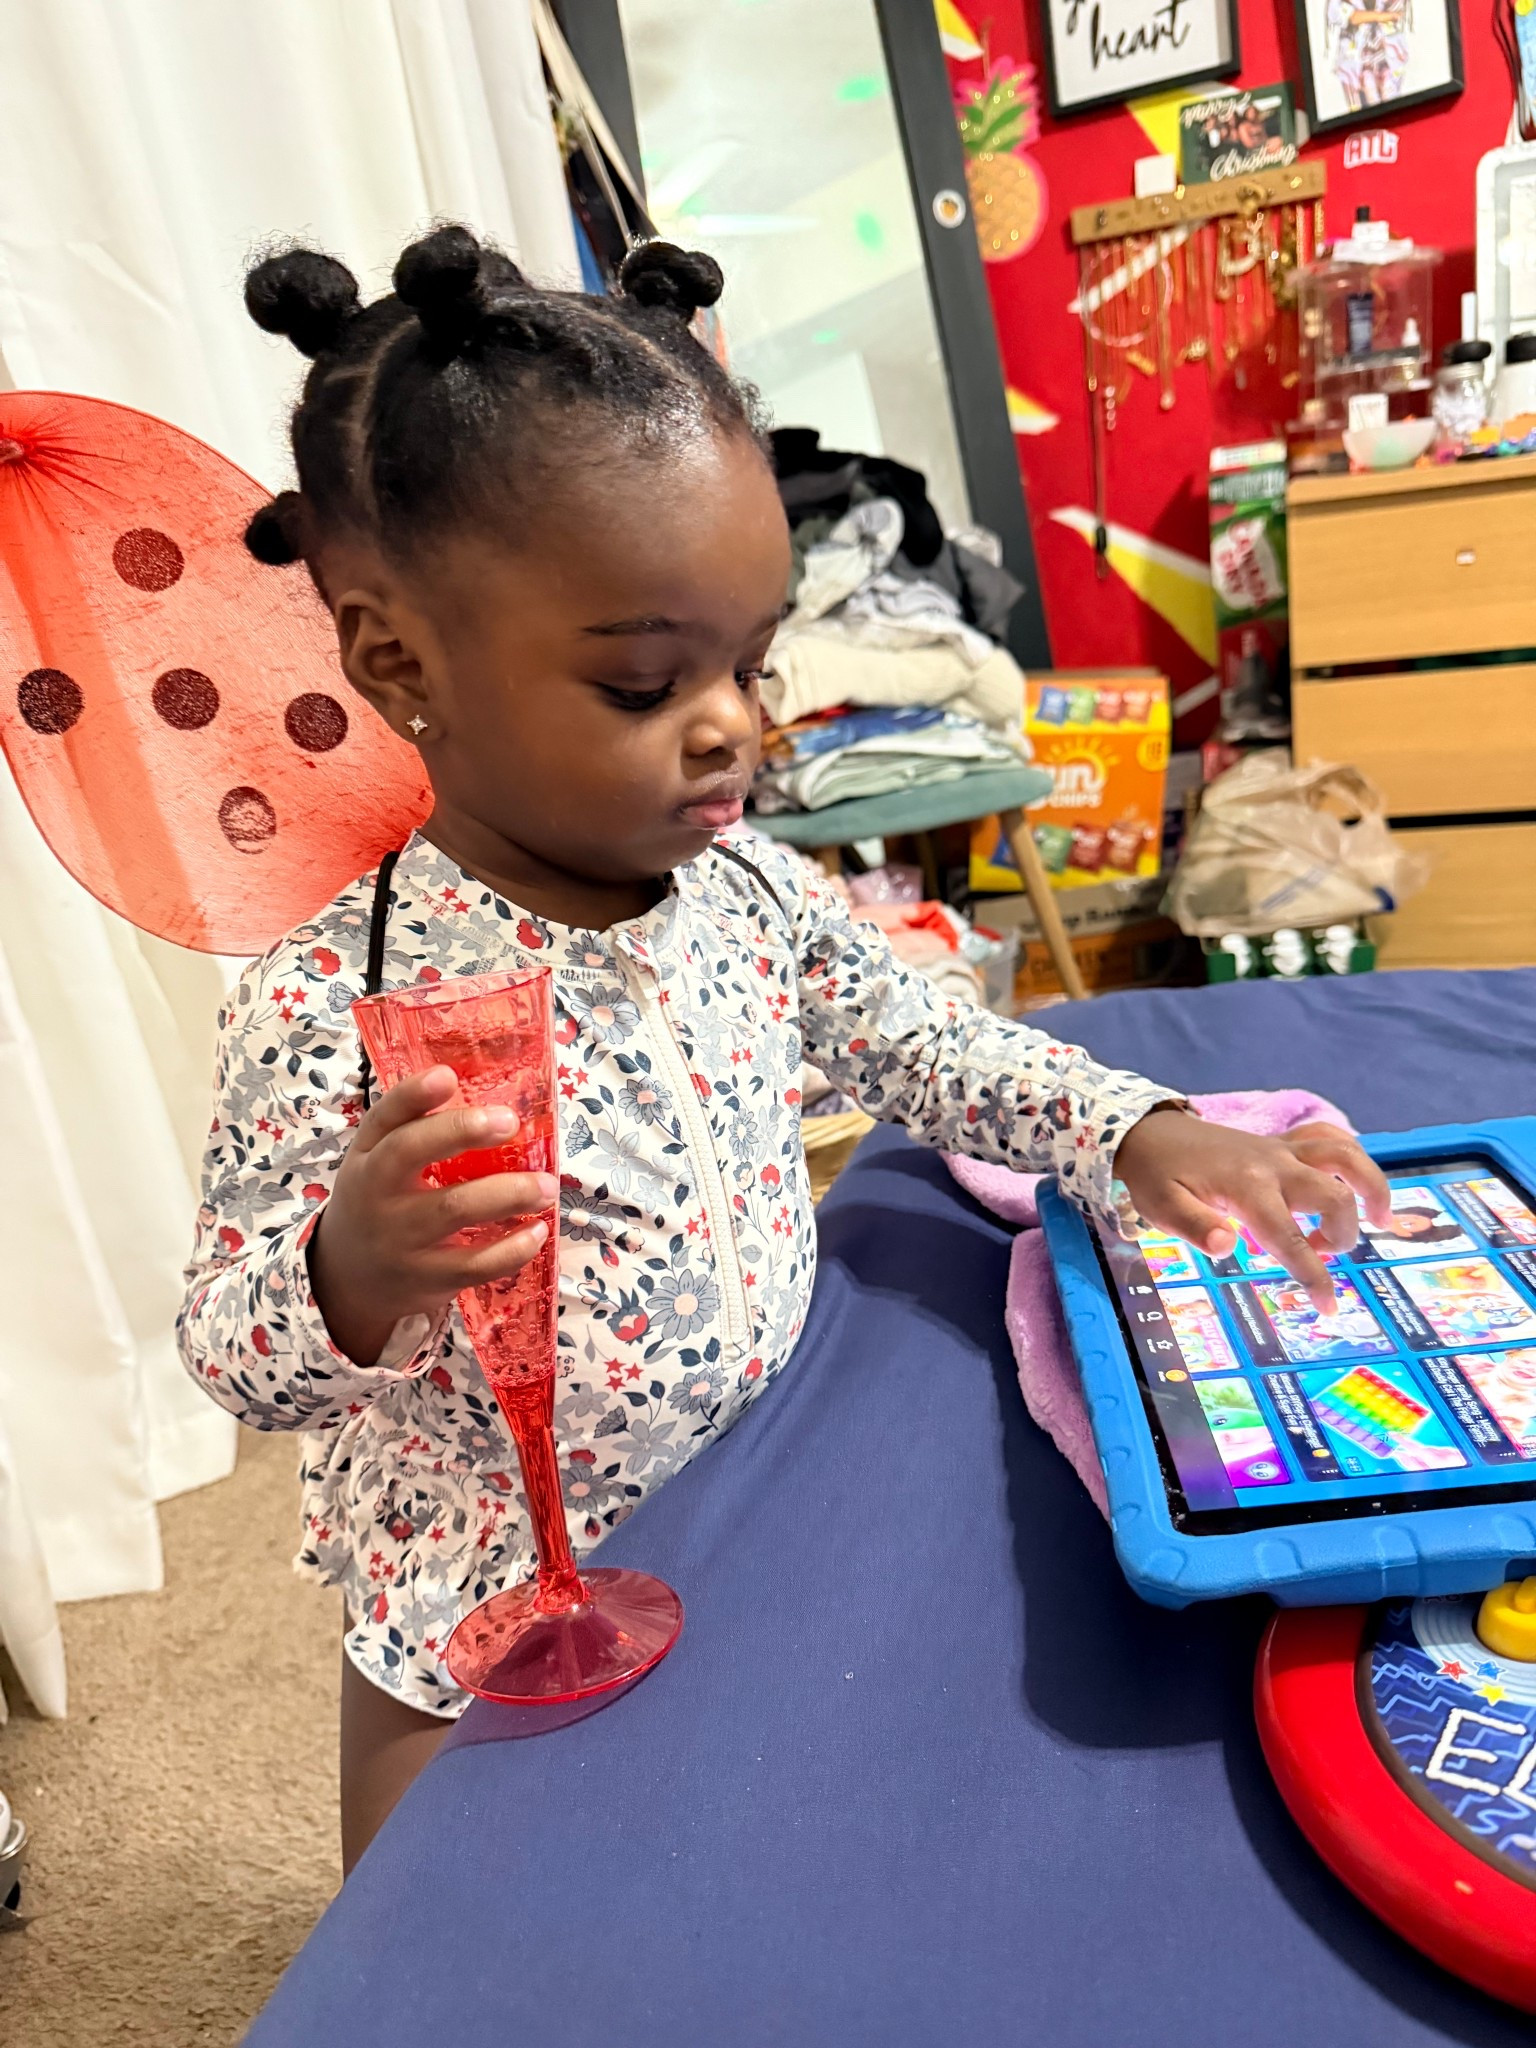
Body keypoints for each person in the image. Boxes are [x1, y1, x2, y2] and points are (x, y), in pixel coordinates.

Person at [177, 225, 1390, 1872]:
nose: (737, 725)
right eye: (645, 681)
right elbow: (233, 1353)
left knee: (751, 1862)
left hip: (760, 1489)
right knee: (433, 1935)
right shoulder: (333, 999)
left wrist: (1141, 1128)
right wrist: (351, 1266)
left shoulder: (747, 888)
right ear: (400, 661)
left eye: (754, 662)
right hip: (481, 1572)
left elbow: (924, 1047)